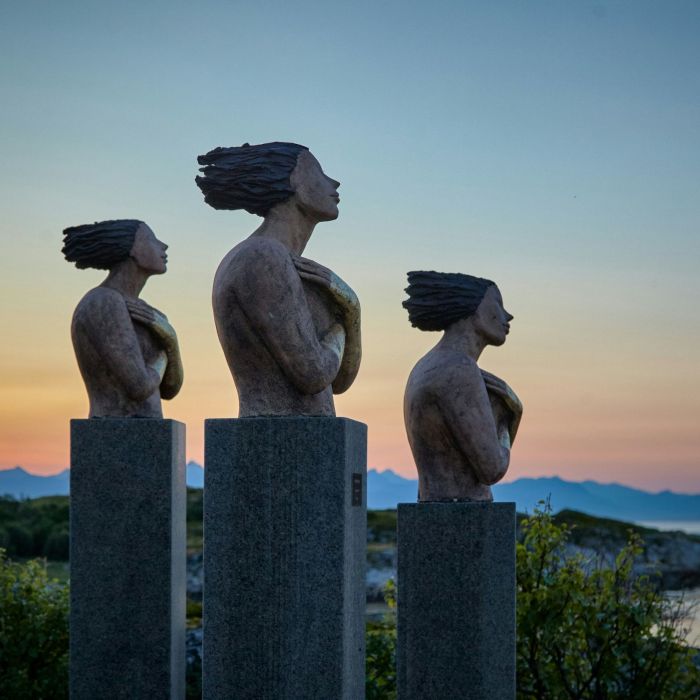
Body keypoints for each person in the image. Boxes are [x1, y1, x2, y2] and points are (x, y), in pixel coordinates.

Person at [196, 141, 361, 416]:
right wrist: (342, 326)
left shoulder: (287, 264)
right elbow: (314, 374)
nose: (334, 182)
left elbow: (340, 381)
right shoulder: (261, 256)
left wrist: (352, 308)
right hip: (280, 436)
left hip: (305, 435)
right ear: (292, 182)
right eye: (318, 173)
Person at [402, 270, 522, 501]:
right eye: (497, 304)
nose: (507, 315)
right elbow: (492, 468)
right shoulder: (459, 370)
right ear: (473, 308)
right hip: (465, 512)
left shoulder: (428, 365)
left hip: (434, 502)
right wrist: (511, 412)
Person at [62, 219, 183, 417]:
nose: (164, 246)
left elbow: (170, 389)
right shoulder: (102, 302)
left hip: (150, 432)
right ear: (133, 250)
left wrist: (171, 339)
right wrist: (163, 355)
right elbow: (140, 387)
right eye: (152, 239)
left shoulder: (151, 315)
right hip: (114, 429)